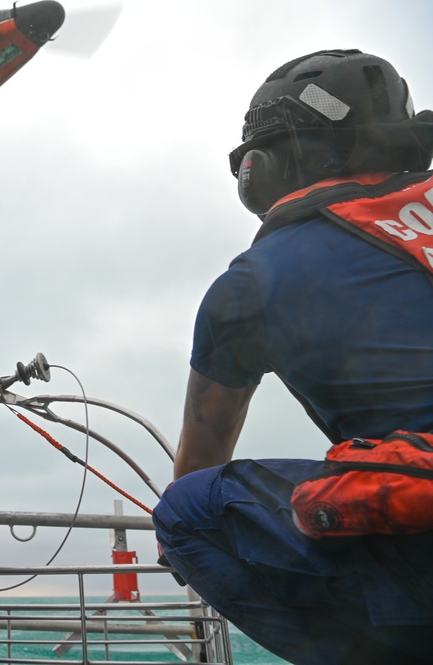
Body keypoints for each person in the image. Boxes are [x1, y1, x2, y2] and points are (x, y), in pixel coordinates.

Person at [152, 49, 433, 665]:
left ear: (267, 163)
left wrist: (172, 552)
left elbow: (202, 453)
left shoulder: (254, 280)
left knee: (187, 512)